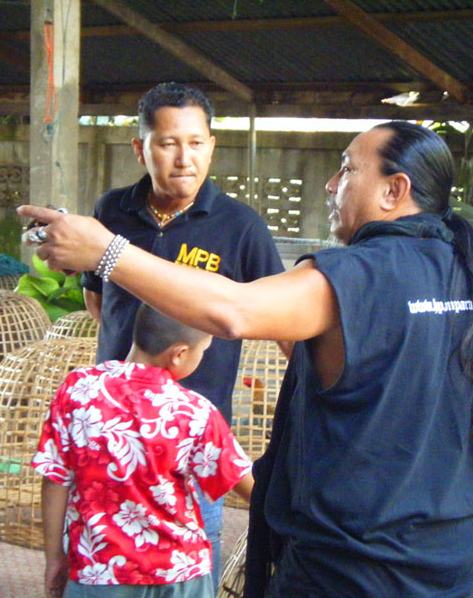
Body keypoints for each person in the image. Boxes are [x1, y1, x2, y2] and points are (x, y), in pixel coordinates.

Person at [19, 120, 473, 598]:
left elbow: (233, 311)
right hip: (446, 562)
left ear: (394, 190)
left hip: (344, 567)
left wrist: (107, 252)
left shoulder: (350, 277)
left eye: (347, 169)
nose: (332, 183)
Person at [79, 81, 287, 587]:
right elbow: (98, 300)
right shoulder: (111, 211)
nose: (183, 158)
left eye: (196, 143)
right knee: (106, 554)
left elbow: (282, 319)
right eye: (168, 143)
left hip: (194, 443)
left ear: (211, 146)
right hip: (115, 431)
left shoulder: (241, 227)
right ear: (140, 148)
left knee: (191, 561)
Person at [33, 303, 254, 598]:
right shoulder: (194, 411)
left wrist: (54, 559)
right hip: (180, 573)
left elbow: (55, 479)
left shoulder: (77, 390)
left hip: (99, 569)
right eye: (202, 351)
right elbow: (244, 483)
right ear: (179, 354)